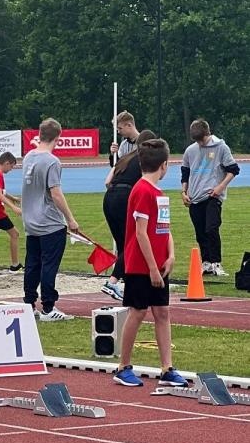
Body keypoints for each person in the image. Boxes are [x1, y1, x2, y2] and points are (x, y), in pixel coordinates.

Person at [112, 139, 188, 390]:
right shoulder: (142, 191)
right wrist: (153, 268)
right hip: (139, 265)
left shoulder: (159, 194)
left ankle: (167, 368)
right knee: (137, 311)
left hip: (159, 264)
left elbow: (164, 229)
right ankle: (123, 367)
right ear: (164, 166)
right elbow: (141, 233)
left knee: (162, 312)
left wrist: (171, 255)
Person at [21, 118, 79, 322]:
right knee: (49, 265)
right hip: (49, 222)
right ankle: (48, 307)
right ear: (58, 137)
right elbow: (55, 193)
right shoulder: (52, 161)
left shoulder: (29, 156)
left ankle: (29, 303)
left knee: (32, 264)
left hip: (31, 221)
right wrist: (70, 219)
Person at [181, 119, 240, 277]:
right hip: (195, 197)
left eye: (202, 139)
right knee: (200, 232)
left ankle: (216, 262)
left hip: (213, 196)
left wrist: (220, 187)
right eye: (197, 141)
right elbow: (185, 172)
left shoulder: (221, 147)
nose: (200, 143)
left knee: (211, 228)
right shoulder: (190, 151)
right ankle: (206, 263)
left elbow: (233, 169)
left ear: (208, 133)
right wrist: (184, 192)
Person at [101, 129, 156, 300]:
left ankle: (125, 276)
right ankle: (113, 281)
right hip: (125, 198)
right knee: (131, 243)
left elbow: (107, 181)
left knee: (122, 243)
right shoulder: (144, 161)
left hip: (109, 198)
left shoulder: (125, 158)